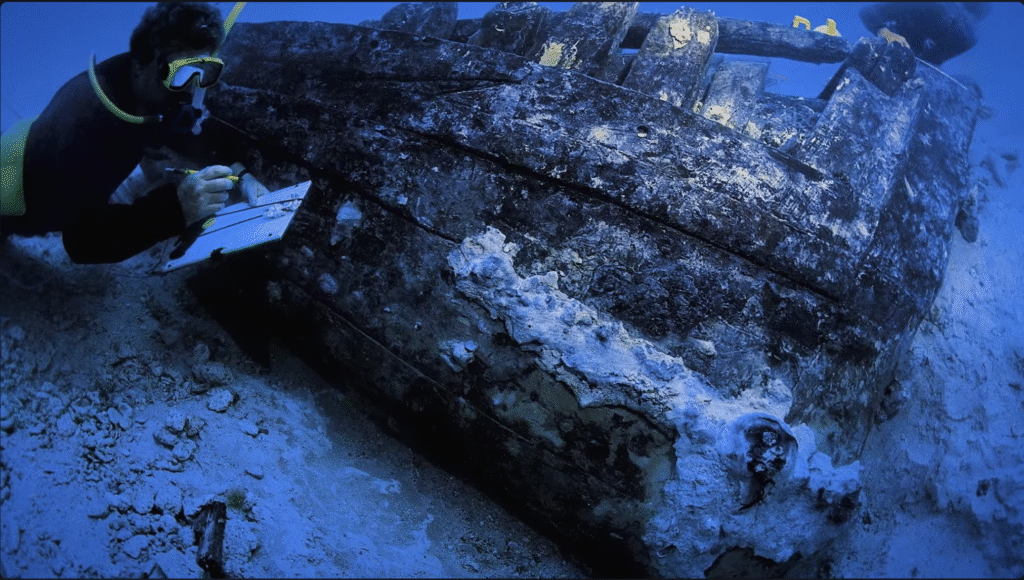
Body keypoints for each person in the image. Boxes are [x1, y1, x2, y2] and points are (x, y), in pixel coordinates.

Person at [0, 2, 267, 264]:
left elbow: (186, 134)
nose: (190, 89)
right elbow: (82, 244)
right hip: (15, 191)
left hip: (33, 146)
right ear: (141, 64)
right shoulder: (84, 125)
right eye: (180, 73)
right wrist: (177, 210)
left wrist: (239, 171)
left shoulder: (149, 89)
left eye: (204, 72)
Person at [858, 2, 991, 66]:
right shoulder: (926, 5)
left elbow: (931, 66)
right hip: (877, 61)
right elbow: (869, 13)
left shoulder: (964, 40)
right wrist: (887, 34)